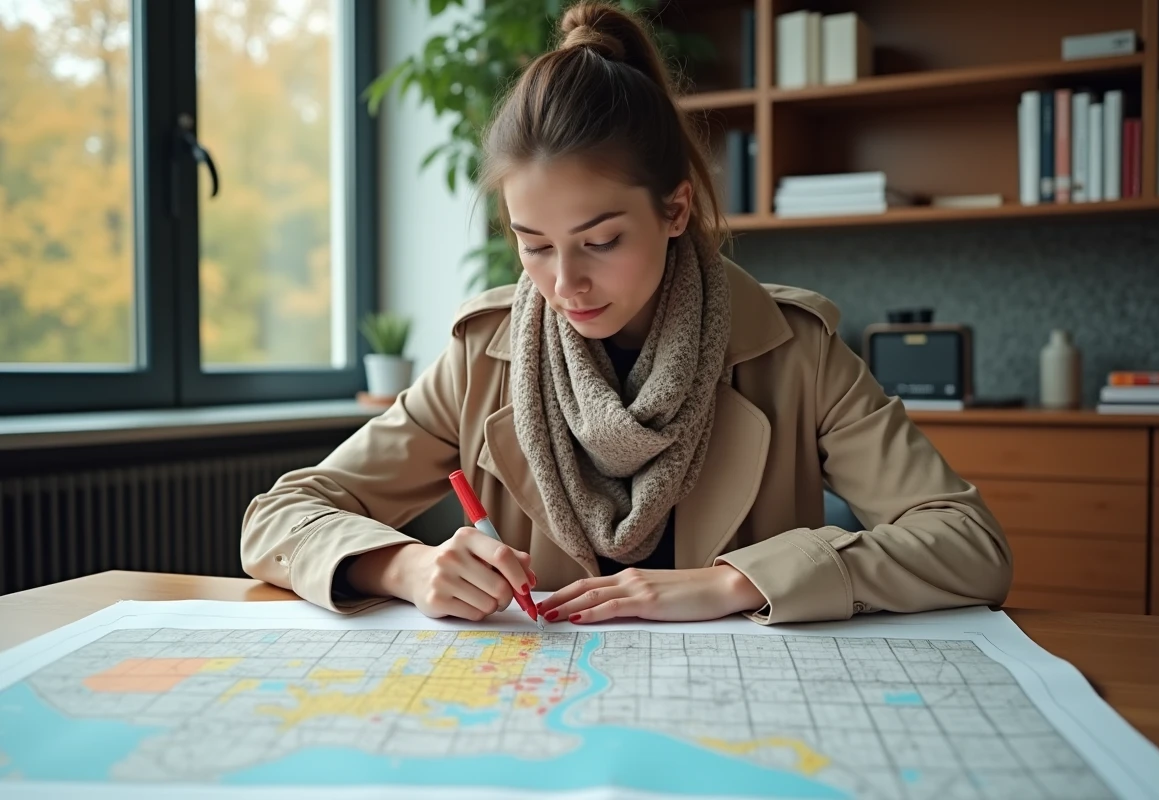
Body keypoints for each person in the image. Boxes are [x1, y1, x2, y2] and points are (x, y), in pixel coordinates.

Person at [240, 1, 1011, 626]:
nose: (563, 282)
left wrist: (738, 582)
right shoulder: (486, 354)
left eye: (601, 241)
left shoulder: (795, 350)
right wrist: (403, 564)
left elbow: (969, 544)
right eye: (532, 245)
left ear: (676, 209)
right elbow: (280, 517)